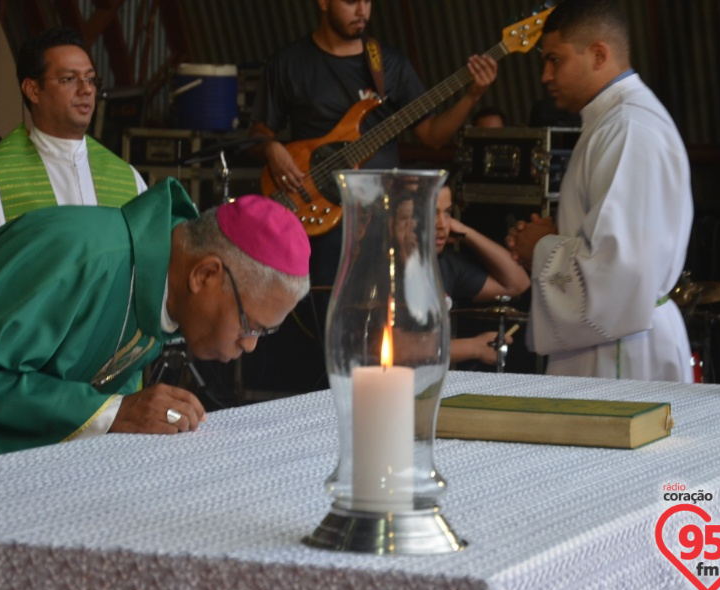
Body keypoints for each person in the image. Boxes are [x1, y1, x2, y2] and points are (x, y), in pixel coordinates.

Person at [0, 181, 310, 484]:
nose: (247, 346)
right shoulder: (83, 258)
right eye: (251, 327)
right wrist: (114, 413)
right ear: (205, 275)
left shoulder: (157, 283)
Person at [250, 0, 499, 288]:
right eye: (350, 2)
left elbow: (432, 136)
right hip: (317, 217)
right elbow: (257, 133)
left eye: (367, 1)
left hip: (384, 219)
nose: (362, 11)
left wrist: (472, 96)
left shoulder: (390, 65)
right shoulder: (288, 63)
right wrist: (271, 149)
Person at [506, 0, 693, 381]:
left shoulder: (628, 129)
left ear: (598, 54)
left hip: (622, 352)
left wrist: (539, 248)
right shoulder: (613, 122)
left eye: (555, 60)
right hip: (613, 341)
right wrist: (555, 234)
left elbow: (619, 269)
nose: (544, 76)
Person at [0, 27, 147, 256]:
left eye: (91, 79)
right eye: (69, 79)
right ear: (33, 90)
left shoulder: (127, 179)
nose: (86, 90)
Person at [434, 183, 529, 365]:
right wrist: (474, 347)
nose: (442, 224)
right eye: (432, 213)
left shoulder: (445, 262)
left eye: (447, 213)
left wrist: (466, 232)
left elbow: (518, 284)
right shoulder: (388, 268)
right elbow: (403, 348)